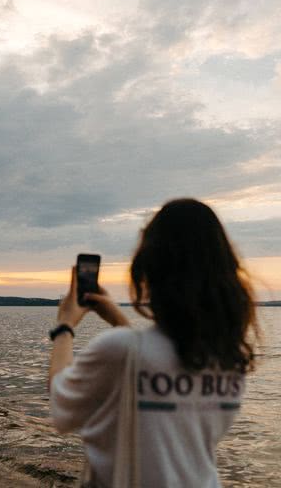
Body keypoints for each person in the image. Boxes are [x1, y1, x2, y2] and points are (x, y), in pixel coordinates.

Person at [49, 198, 259, 487]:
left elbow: (62, 410)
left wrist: (64, 326)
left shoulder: (119, 349)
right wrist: (120, 321)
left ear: (149, 270)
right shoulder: (231, 358)